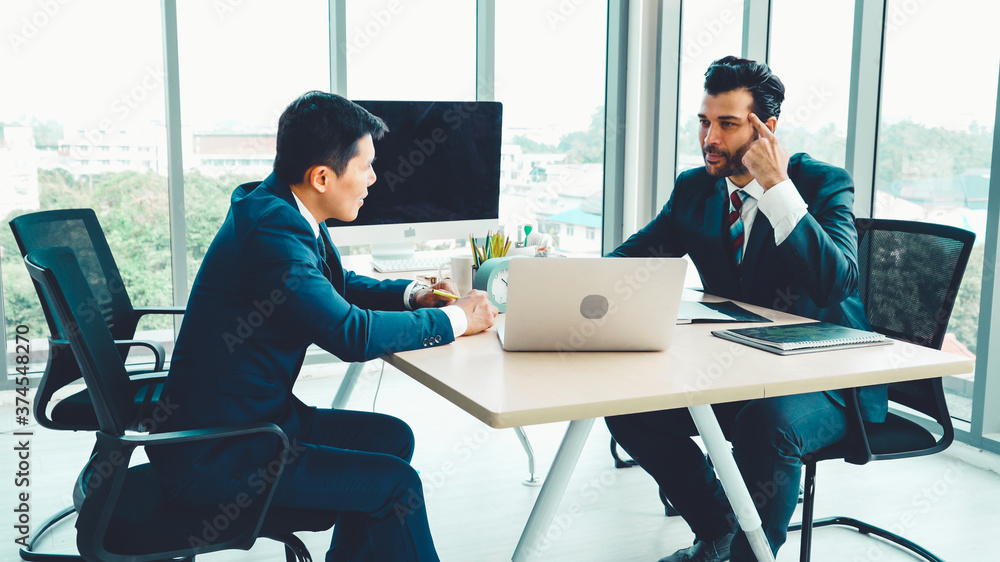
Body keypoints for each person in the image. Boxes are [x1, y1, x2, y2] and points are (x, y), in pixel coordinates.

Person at [147, 91, 498, 561]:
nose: (375, 179)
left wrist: (412, 294)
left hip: (257, 421)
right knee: (396, 485)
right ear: (321, 176)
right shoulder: (273, 231)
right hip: (222, 450)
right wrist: (456, 319)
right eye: (366, 167)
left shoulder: (279, 207)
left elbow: (334, 283)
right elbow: (349, 333)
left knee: (392, 439)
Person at [605, 56, 886, 562]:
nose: (709, 138)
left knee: (766, 422)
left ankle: (750, 557)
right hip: (737, 370)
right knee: (626, 407)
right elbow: (630, 262)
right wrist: (552, 281)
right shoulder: (695, 189)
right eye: (704, 121)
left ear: (765, 130)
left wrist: (778, 188)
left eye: (727, 124)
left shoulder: (821, 184)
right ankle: (718, 535)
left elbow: (836, 282)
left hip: (828, 380)